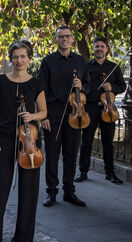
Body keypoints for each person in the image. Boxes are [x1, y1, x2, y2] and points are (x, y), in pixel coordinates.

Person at [0, 40, 47, 242]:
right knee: (1, 187)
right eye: (15, 56)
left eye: (23, 56)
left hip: (29, 141)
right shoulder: (1, 81)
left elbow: (44, 112)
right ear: (10, 59)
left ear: (29, 58)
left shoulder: (36, 83)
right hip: (3, 139)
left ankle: (23, 237)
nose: (19, 60)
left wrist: (32, 117)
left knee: (29, 190)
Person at [38, 25, 89, 207]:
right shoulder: (48, 61)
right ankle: (52, 192)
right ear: (56, 40)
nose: (64, 39)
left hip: (75, 113)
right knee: (52, 154)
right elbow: (41, 90)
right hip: (54, 112)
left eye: (67, 36)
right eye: (61, 37)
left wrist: (81, 86)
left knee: (71, 153)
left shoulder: (80, 61)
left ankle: (69, 191)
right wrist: (44, 116)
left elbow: (89, 86)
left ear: (72, 39)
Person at [75, 37, 127, 185]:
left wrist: (113, 89)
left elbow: (122, 86)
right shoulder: (86, 66)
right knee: (86, 141)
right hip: (90, 107)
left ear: (107, 49)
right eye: (97, 46)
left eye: (102, 46)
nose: (99, 49)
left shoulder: (113, 67)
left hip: (108, 108)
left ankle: (110, 173)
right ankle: (83, 172)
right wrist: (86, 90)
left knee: (108, 143)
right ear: (93, 49)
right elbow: (82, 86)